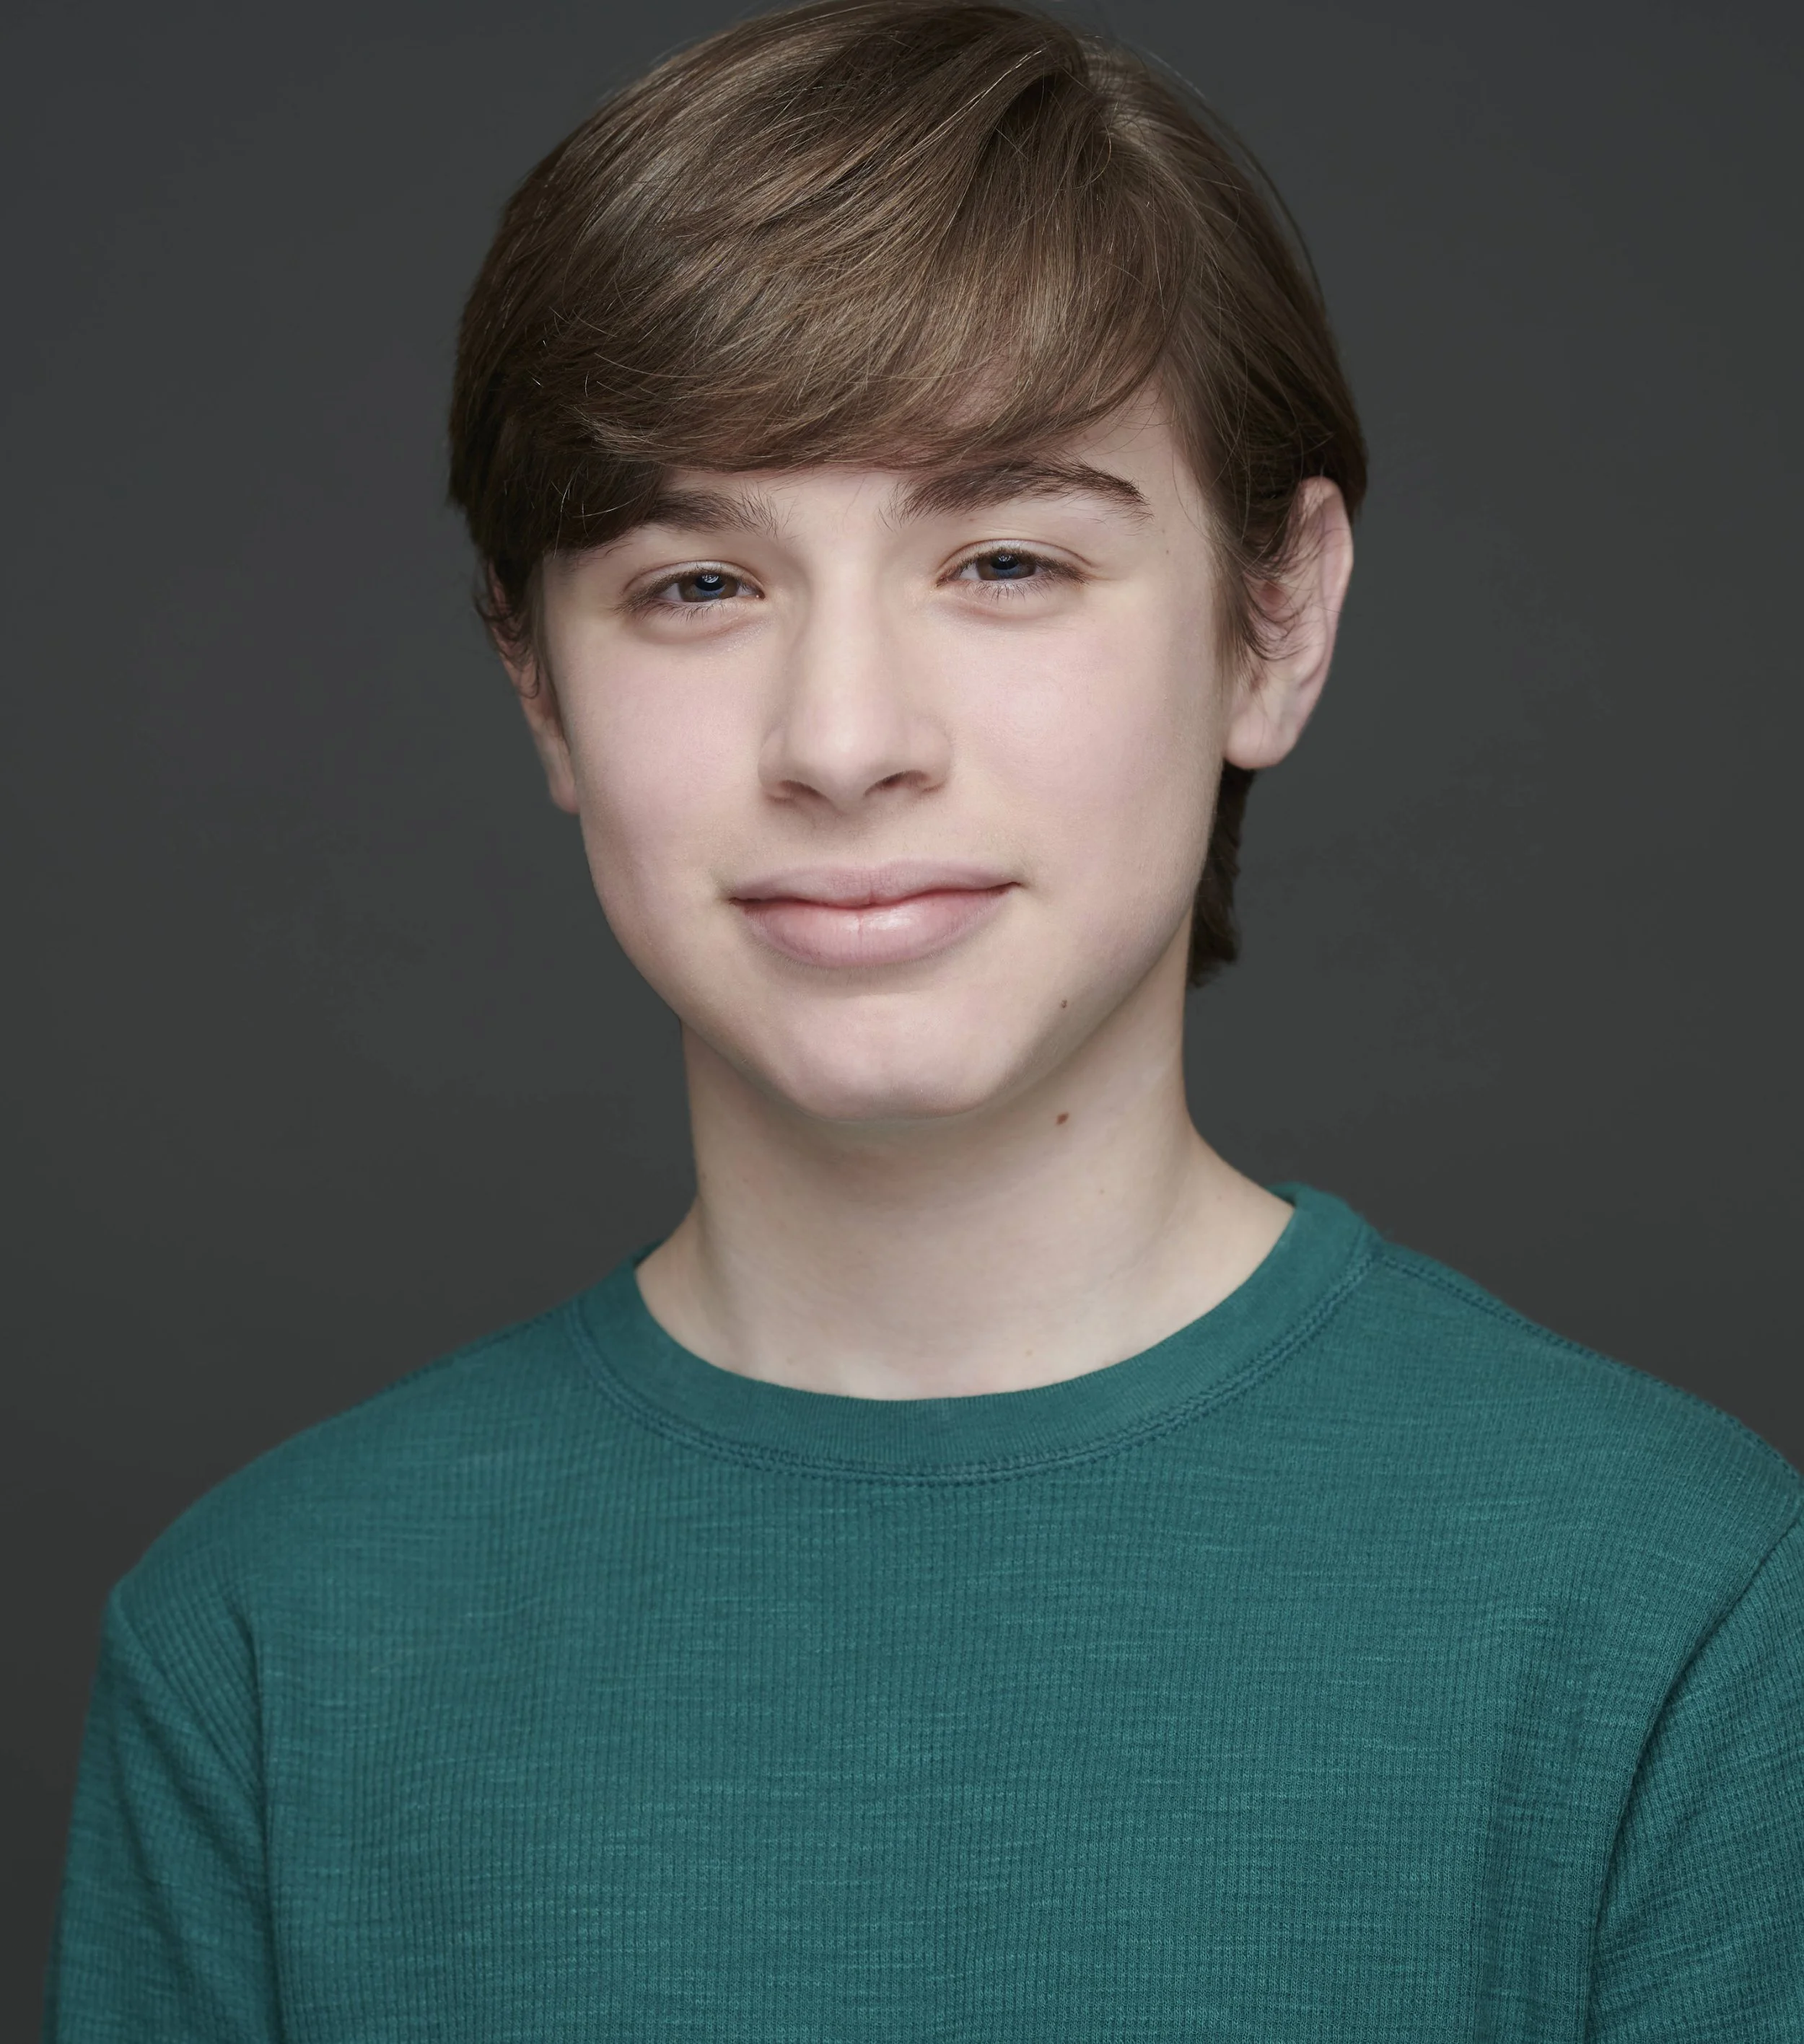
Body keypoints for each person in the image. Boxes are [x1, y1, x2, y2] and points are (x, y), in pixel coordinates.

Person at [43, 1, 1804, 2035]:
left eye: (1001, 556)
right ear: (537, 688)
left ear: (1276, 620)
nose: (844, 739)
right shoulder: (263, 1644)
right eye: (698, 584)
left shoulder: (1678, 1615)